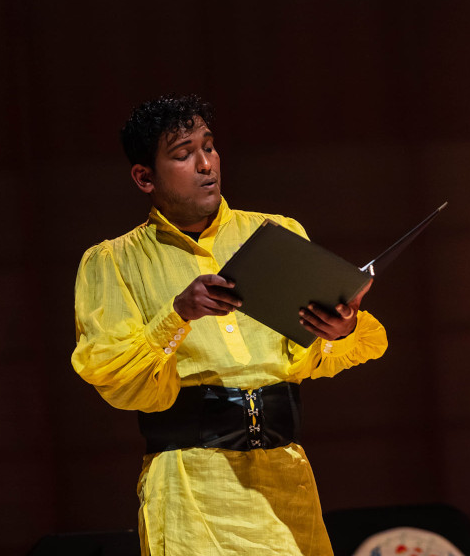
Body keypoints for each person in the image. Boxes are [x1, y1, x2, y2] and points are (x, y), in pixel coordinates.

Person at [72, 94, 388, 556]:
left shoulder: (273, 233)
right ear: (144, 177)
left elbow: (309, 356)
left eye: (210, 146)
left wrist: (339, 329)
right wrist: (177, 313)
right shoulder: (113, 262)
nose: (205, 164)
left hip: (284, 474)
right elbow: (117, 379)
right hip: (191, 486)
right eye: (183, 154)